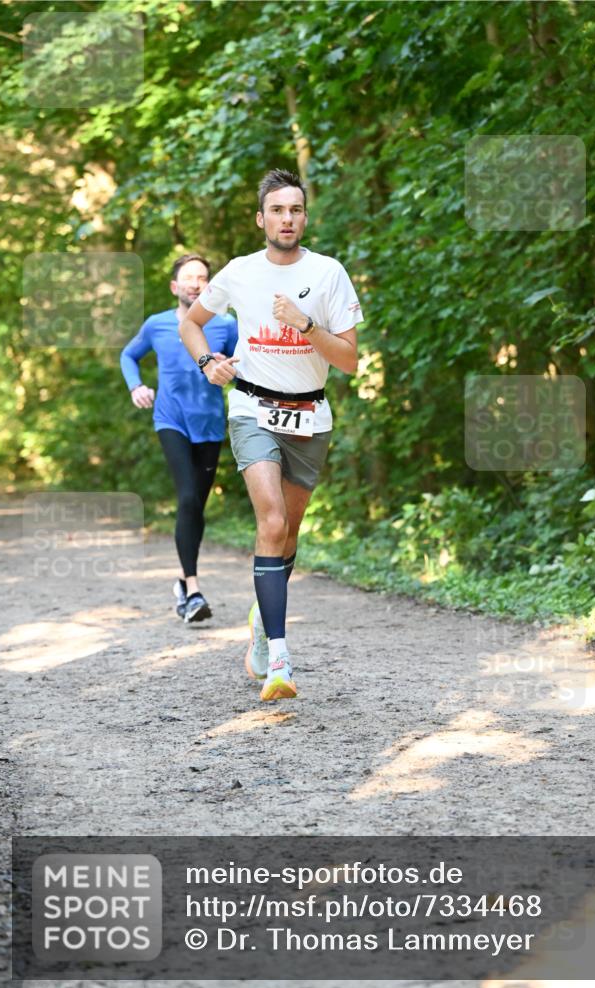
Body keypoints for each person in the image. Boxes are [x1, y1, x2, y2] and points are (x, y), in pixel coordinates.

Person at [179, 169, 363, 700]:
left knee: (289, 533)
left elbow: (349, 360)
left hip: (310, 415)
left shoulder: (328, 273)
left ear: (305, 217)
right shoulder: (240, 271)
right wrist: (208, 362)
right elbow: (191, 323)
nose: (287, 219)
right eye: (278, 210)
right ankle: (279, 659)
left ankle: (262, 621)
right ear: (261, 219)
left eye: (296, 210)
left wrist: (306, 325)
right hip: (252, 408)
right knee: (273, 520)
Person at [120, 254, 238, 623]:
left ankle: (183, 584)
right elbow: (128, 355)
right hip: (171, 420)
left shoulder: (226, 325)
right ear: (175, 286)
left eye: (202, 277)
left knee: (195, 508)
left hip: (210, 425)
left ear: (210, 286)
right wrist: (136, 386)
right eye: (188, 277)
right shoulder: (157, 324)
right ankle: (194, 589)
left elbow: (245, 367)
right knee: (187, 497)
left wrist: (229, 365)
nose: (195, 283)